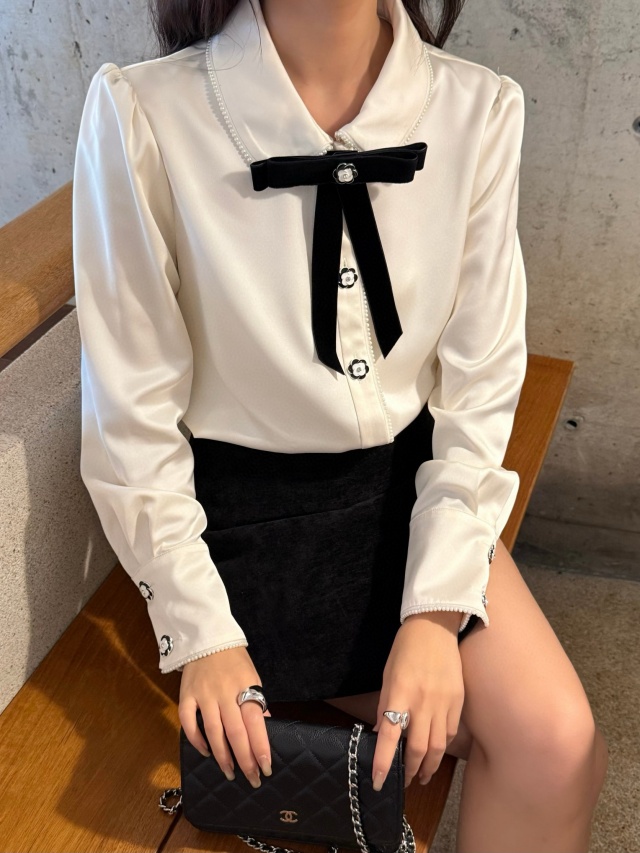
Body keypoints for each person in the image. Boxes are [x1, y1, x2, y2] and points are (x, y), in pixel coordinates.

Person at [72, 0, 608, 848]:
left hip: (411, 489)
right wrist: (202, 635)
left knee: (560, 744)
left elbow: (478, 388)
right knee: (515, 743)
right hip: (241, 524)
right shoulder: (144, 113)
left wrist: (433, 614)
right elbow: (130, 415)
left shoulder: (479, 108)